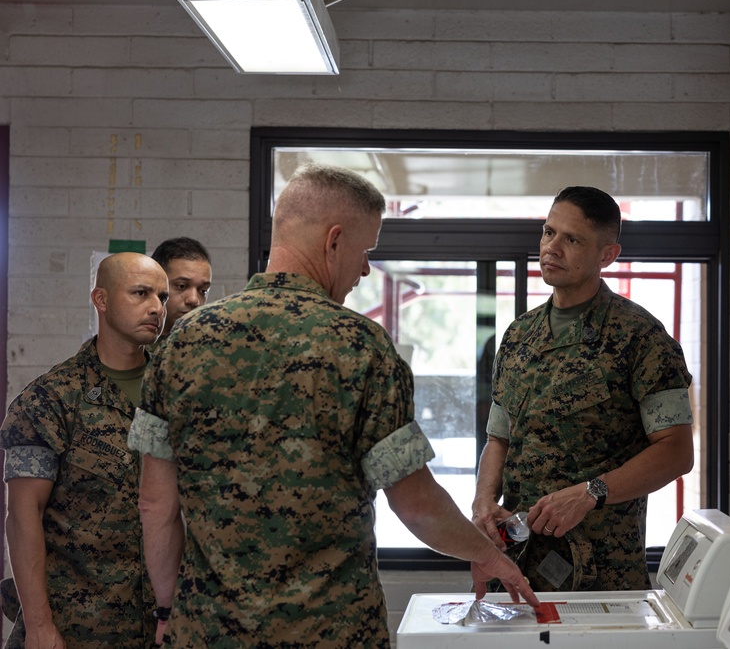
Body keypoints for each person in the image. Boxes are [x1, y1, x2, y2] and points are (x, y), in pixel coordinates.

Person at [128, 164, 538, 648]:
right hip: (332, 631)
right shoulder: (362, 347)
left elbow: (155, 504)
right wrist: (489, 556)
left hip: (208, 630)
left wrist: (167, 609)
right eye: (365, 252)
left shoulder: (181, 344)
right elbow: (417, 504)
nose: (366, 269)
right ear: (334, 240)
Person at [472, 186, 695, 592]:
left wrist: (592, 492)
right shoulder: (519, 335)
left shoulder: (641, 338)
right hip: (517, 563)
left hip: (597, 572)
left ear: (607, 255)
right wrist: (484, 501)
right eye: (548, 232)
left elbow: (677, 452)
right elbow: (498, 437)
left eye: (571, 239)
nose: (551, 248)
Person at [0, 252, 168, 648]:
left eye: (162, 296)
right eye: (141, 293)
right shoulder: (52, 398)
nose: (156, 308)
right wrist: (40, 626)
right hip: (80, 627)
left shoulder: (179, 391)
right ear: (102, 299)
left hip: (166, 626)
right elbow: (24, 515)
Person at [150, 236, 213, 343]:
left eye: (203, 290)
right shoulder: (133, 348)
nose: (194, 300)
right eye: (181, 286)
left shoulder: (214, 347)